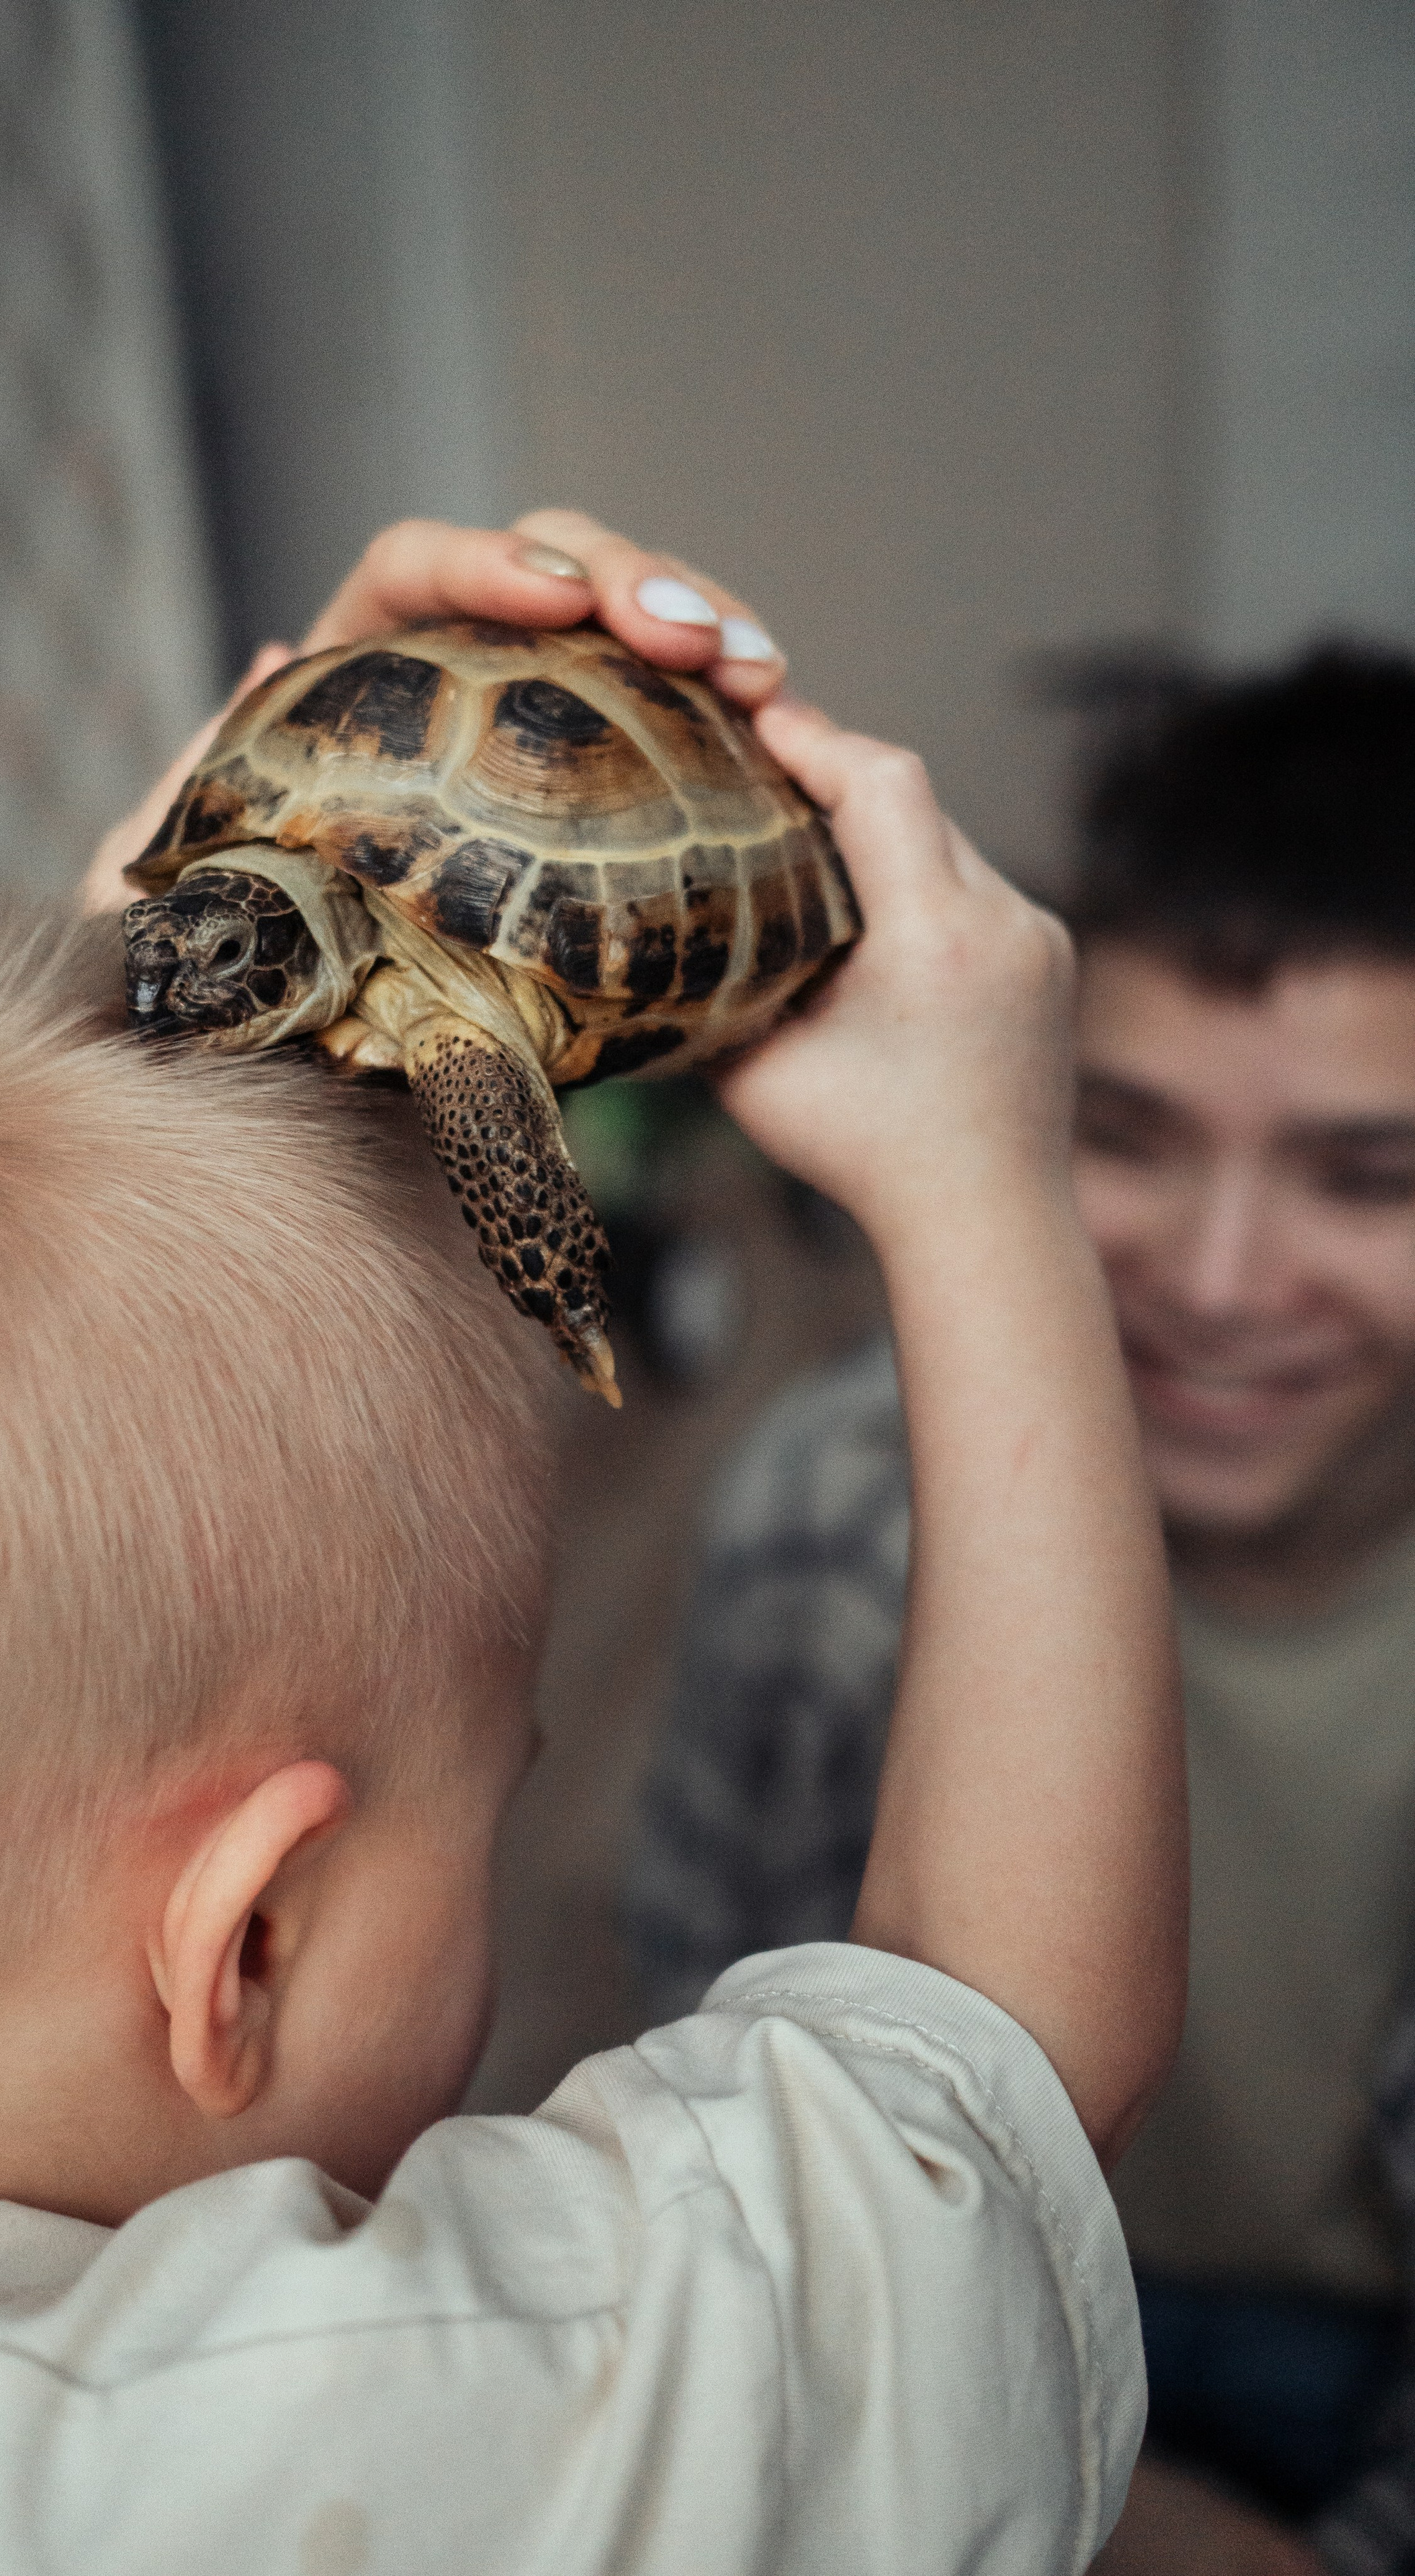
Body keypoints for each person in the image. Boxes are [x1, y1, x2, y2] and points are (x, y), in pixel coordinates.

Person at [0, 514, 1184, 2573]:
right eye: (506, 1797)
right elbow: (1000, 2062)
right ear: (250, 1942)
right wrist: (979, 1177)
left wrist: (163, 954)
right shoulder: (333, 2439)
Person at [625, 643, 1415, 2576]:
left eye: (1365, 1176)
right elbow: (700, 2040)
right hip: (966, 2312)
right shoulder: (830, 1506)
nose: (1223, 1281)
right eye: (1126, 1140)